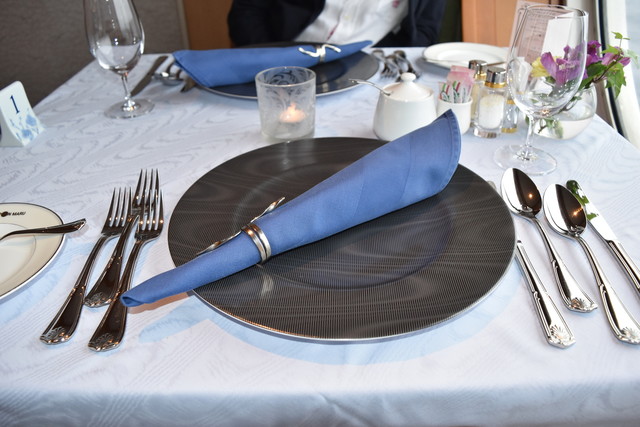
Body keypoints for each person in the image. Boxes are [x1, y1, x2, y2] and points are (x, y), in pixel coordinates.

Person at [227, 0, 447, 47]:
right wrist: (268, 58)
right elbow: (246, 11)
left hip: (366, 73)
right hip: (283, 58)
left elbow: (424, 30)